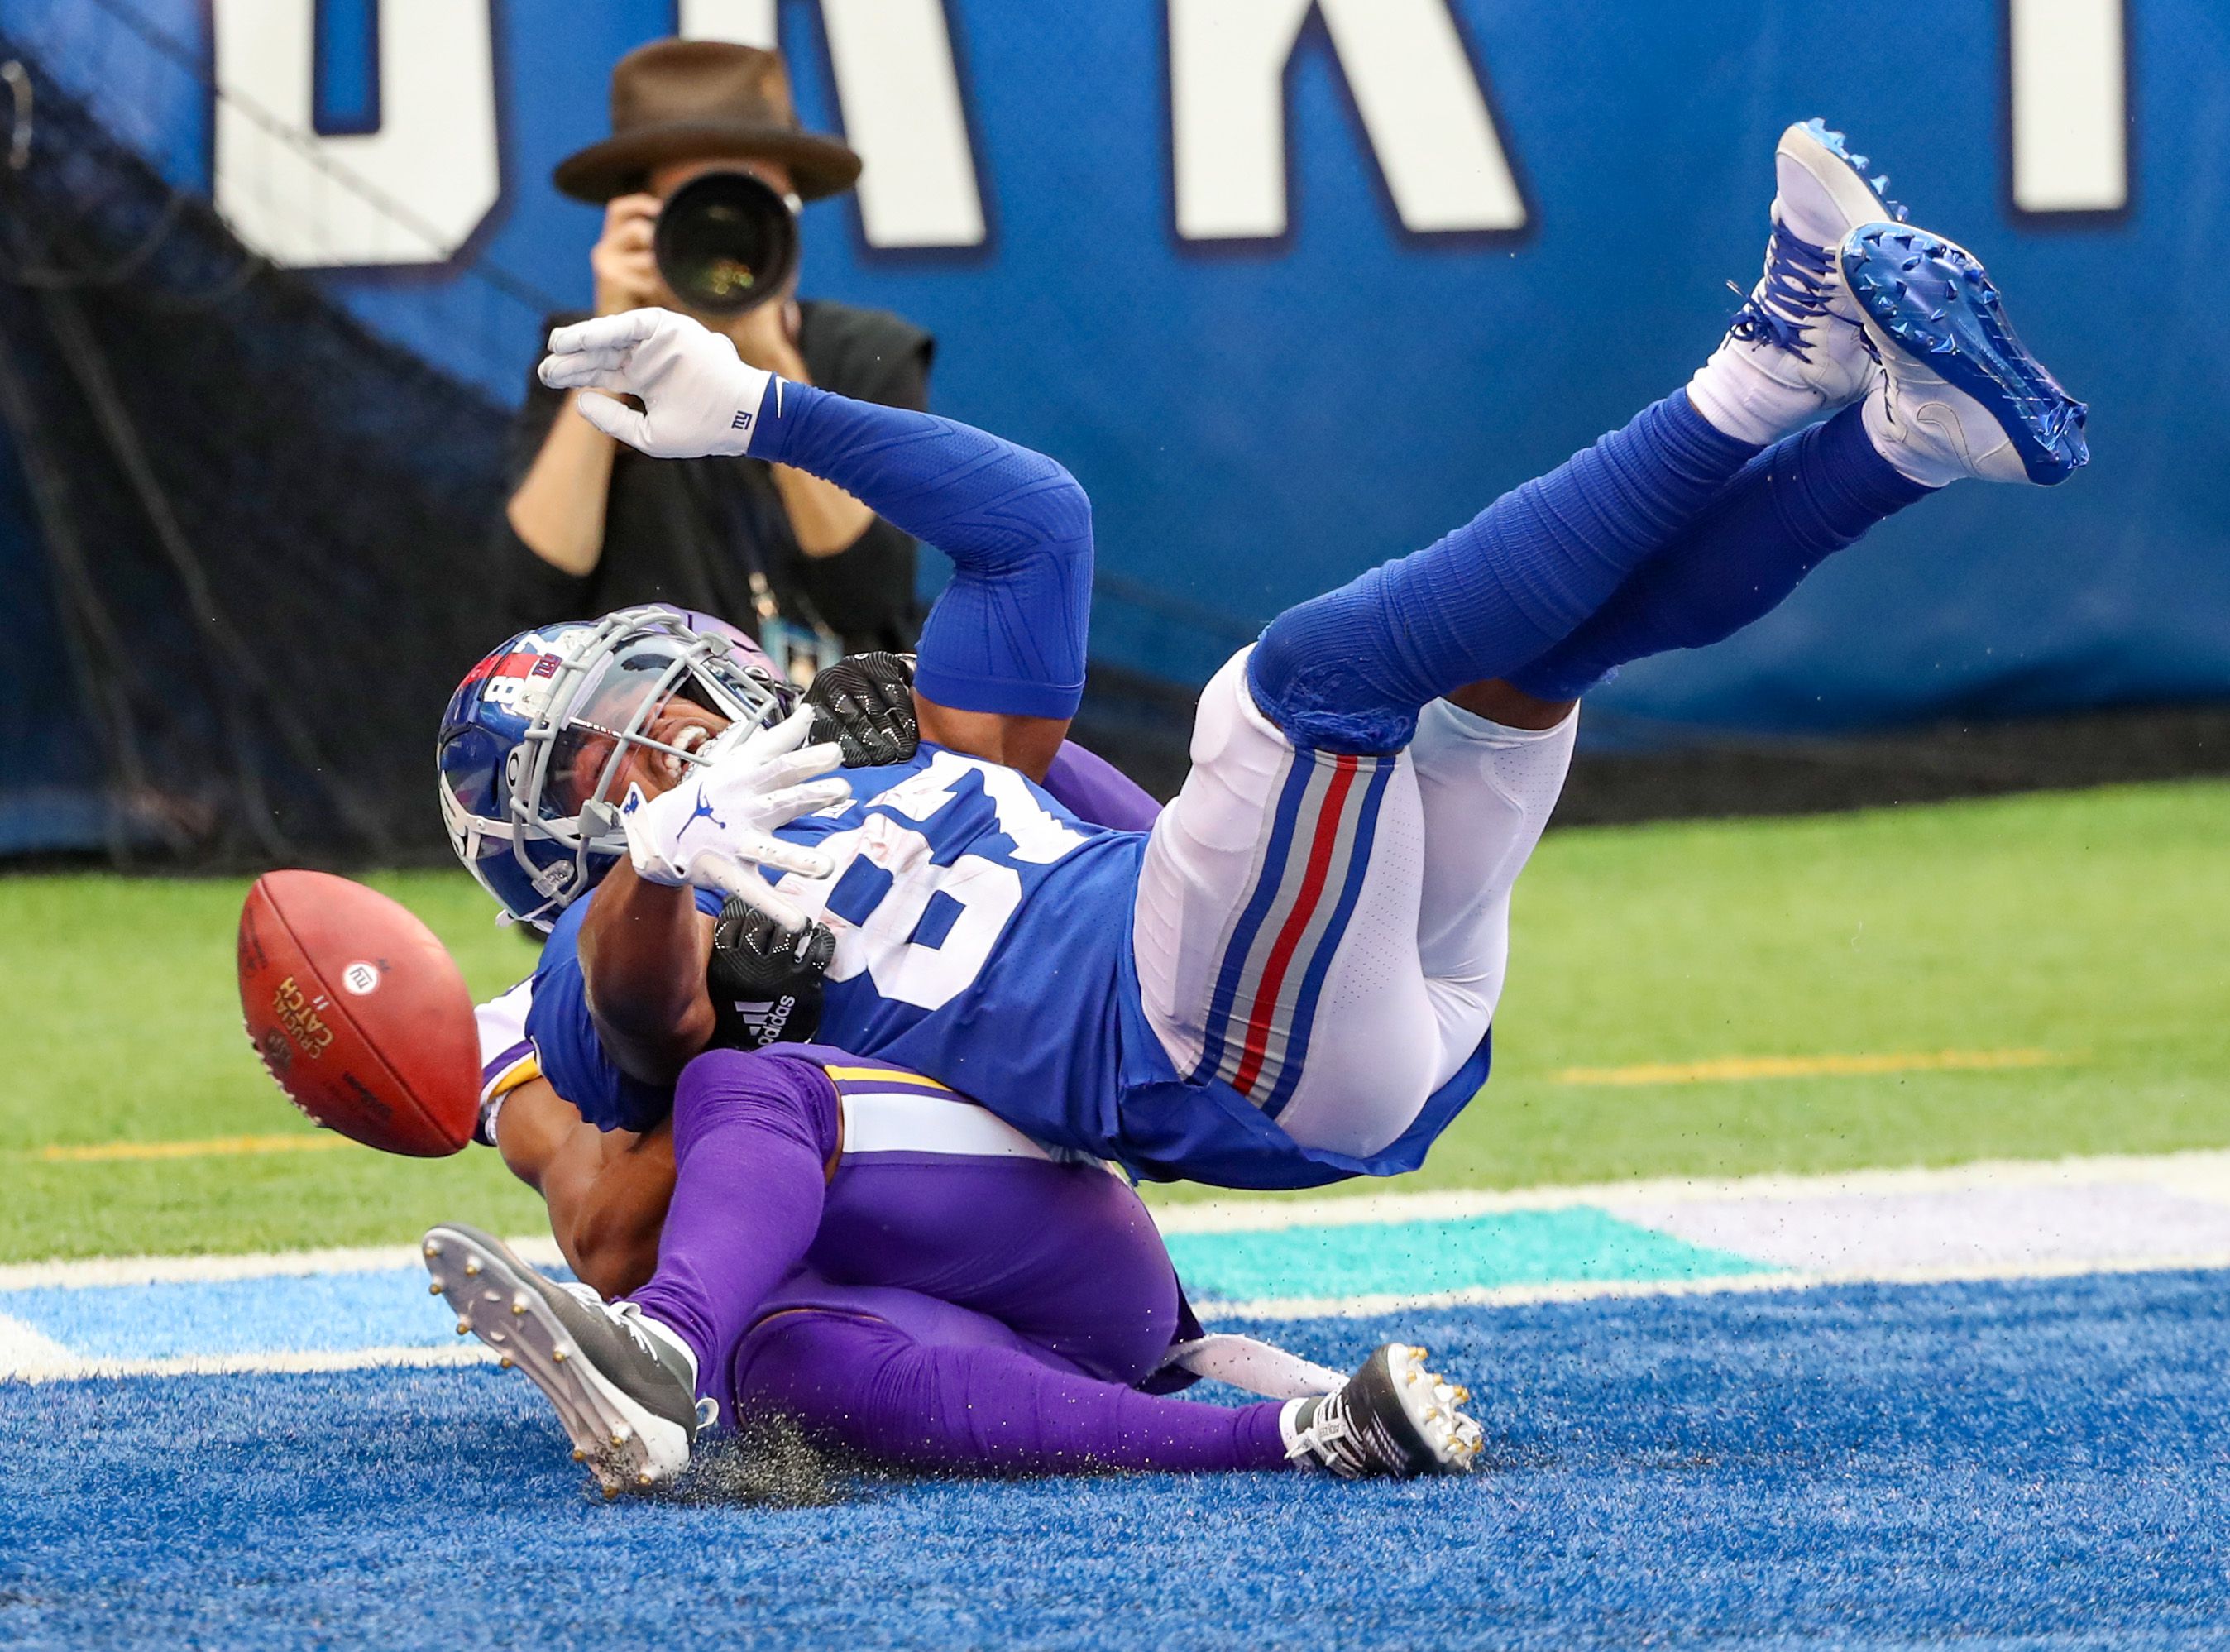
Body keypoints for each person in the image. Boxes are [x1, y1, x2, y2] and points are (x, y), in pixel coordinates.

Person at [451, 121, 2087, 1196]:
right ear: (562, 849)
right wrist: (656, 881)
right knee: (1296, 688)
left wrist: (753, 409)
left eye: (638, 699)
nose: (654, 737)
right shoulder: (604, 944)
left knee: (1523, 661)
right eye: (597, 761)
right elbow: (634, 1050)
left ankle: (1904, 441)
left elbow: (1037, 520)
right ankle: (1765, 360)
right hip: (1210, 1044)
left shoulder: (918, 746)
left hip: (1324, 989)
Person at [435, 994, 1484, 1494]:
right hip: (919, 1313)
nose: (640, 760)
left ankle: (664, 1352)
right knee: (775, 1367)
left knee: (745, 1084)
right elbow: (603, 1234)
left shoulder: (854, 793)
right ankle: (1304, 1432)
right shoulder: (534, 1007)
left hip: (1057, 1246)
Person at [500, 39, 930, 662]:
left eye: (756, 203)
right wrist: (615, 338)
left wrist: (770, 358)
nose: (726, 232)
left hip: (835, 737)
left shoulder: (868, 354)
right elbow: (534, 590)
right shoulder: (579, 351)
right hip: (646, 732)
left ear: (793, 214)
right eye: (698, 207)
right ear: (642, 220)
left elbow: (869, 594)